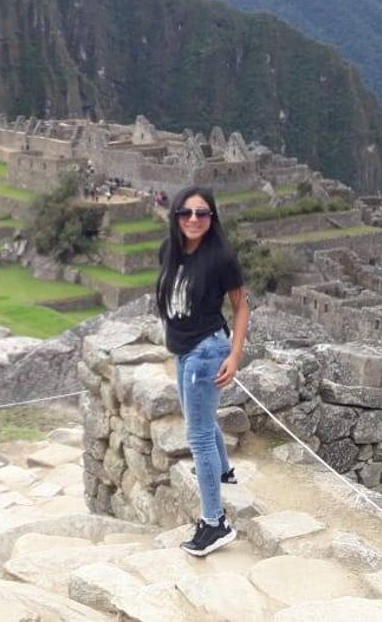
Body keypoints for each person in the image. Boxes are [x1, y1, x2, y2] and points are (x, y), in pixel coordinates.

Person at [155, 185, 249, 557]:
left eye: (202, 214)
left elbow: (241, 307)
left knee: (197, 436)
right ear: (176, 216)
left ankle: (215, 522)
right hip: (183, 350)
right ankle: (223, 471)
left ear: (212, 219)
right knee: (202, 418)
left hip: (207, 351)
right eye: (186, 213)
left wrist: (235, 355)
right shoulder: (169, 252)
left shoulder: (221, 258)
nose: (194, 219)